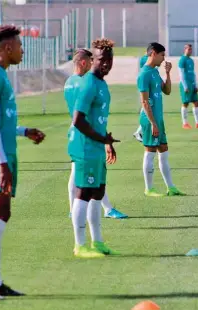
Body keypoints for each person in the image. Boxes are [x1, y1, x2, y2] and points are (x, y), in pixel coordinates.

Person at [0, 25, 46, 301]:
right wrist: (2, 163)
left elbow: (0, 120)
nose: (22, 50)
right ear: (6, 48)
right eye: (19, 45)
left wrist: (23, 130)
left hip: (3, 150)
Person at [69, 38, 120, 258]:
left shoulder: (102, 84)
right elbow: (78, 120)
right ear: (92, 61)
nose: (106, 63)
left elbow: (98, 119)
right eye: (101, 59)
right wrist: (100, 139)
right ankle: (80, 245)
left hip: (97, 147)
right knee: (83, 193)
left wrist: (106, 141)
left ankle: (98, 242)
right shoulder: (89, 83)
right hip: (85, 149)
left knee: (97, 193)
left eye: (109, 59)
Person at [64, 49, 127, 219]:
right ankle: (105, 209)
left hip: (77, 131)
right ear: (83, 62)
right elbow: (87, 114)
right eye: (91, 61)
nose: (93, 65)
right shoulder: (84, 82)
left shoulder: (69, 82)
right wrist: (105, 140)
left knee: (76, 172)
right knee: (93, 177)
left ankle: (76, 209)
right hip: (85, 134)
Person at [138, 42, 185, 197]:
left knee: (163, 153)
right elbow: (144, 101)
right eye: (162, 55)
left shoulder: (155, 72)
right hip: (149, 120)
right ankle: (148, 189)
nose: (163, 58)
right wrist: (152, 123)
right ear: (153, 53)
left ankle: (170, 187)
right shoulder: (144, 74)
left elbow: (167, 90)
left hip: (159, 119)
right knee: (150, 152)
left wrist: (168, 73)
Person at [178, 44, 198, 129]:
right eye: (189, 49)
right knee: (185, 103)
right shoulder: (182, 60)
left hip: (192, 84)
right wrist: (185, 86)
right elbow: (181, 74)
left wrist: (196, 84)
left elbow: (193, 73)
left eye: (191, 50)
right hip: (186, 84)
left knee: (196, 102)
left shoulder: (191, 60)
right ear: (185, 50)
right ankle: (185, 123)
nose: (190, 51)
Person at [133, 52, 149, 142]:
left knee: (148, 108)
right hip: (146, 85)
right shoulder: (145, 59)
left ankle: (140, 131)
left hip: (147, 85)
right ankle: (138, 132)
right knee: (148, 108)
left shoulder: (145, 58)